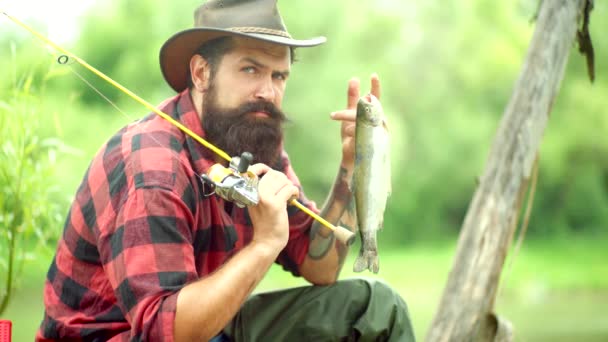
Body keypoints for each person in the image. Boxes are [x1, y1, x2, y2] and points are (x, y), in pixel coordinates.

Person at [36, 0, 415, 341]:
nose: (267, 91)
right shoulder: (153, 166)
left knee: (375, 308)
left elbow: (320, 268)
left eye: (278, 76)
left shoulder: (254, 141)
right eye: (250, 69)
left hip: (208, 330)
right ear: (201, 73)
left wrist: (354, 164)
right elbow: (164, 333)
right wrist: (264, 244)